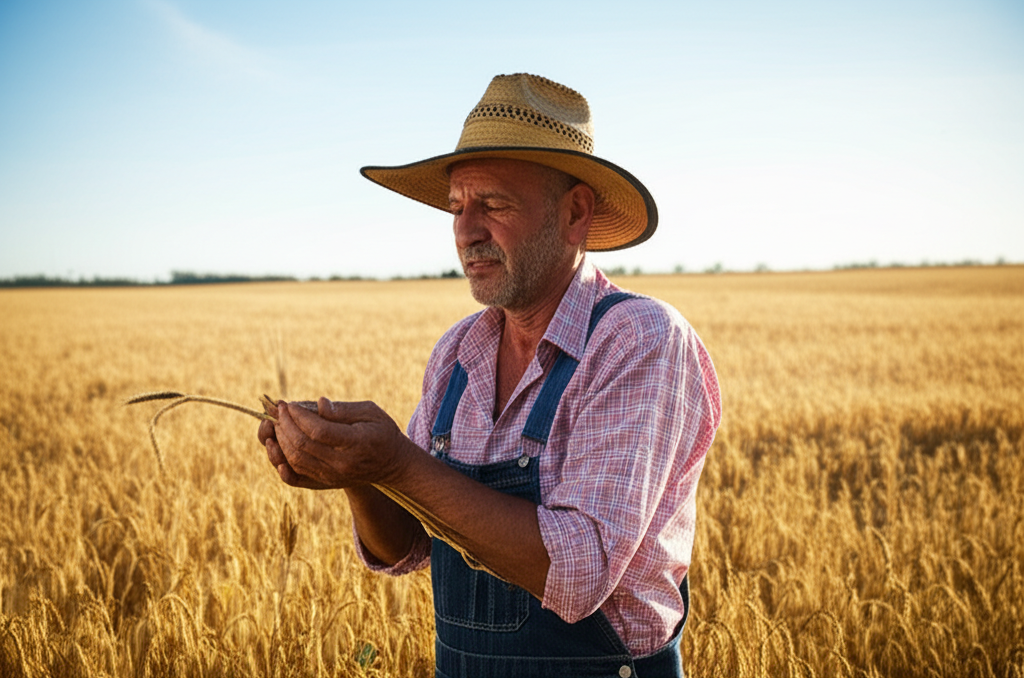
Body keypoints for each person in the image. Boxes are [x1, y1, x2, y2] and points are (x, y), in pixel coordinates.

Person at [259, 73, 722, 678]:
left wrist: (397, 464)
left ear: (574, 213)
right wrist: (357, 475)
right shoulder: (458, 352)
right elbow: (406, 547)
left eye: (493, 204)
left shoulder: (637, 340)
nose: (466, 229)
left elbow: (578, 572)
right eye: (456, 207)